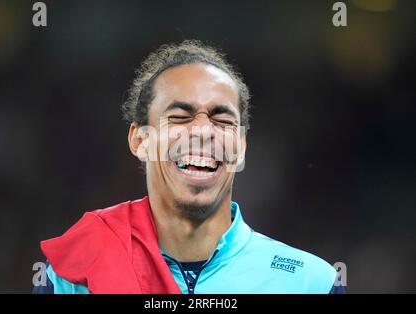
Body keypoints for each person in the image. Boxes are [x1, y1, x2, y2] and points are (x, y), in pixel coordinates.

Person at [34, 40, 344, 294]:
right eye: (181, 116)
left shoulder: (309, 283)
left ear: (241, 147)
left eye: (222, 120)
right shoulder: (74, 275)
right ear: (139, 140)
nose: (203, 131)